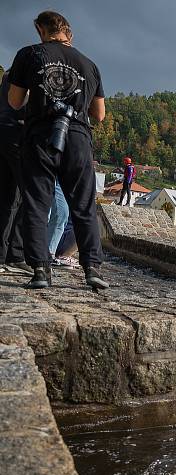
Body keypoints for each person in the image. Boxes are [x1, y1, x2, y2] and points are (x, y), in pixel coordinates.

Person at [7, 11, 108, 289]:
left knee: (38, 204)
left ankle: (40, 270)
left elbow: (15, 101)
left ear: (41, 30)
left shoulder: (29, 54)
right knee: (83, 205)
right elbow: (99, 115)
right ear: (69, 34)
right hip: (76, 136)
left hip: (40, 135)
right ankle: (92, 270)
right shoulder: (89, 65)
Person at [0, 67, 33, 275]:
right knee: (30, 195)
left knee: (9, 198)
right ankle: (16, 253)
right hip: (18, 133)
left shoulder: (9, 75)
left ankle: (5, 255)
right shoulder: (27, 75)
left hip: (3, 131)